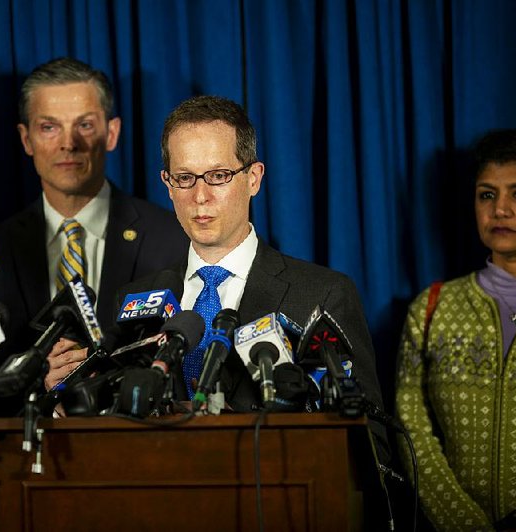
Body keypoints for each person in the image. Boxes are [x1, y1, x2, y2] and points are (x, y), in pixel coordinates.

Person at [45, 95, 389, 460]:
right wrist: (70, 402)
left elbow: (372, 446)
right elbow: (112, 437)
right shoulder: (134, 299)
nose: (200, 196)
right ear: (167, 183)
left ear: (253, 178)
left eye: (219, 176)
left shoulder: (322, 295)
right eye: (184, 178)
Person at [395, 129, 516, 531]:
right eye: (487, 194)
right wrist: (463, 523)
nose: (500, 209)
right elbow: (412, 430)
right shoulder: (432, 309)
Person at [0, 57, 188, 390]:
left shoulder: (171, 238)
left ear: (111, 134)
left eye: (84, 125)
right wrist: (35, 381)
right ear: (26, 140)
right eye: (49, 127)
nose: (69, 143)